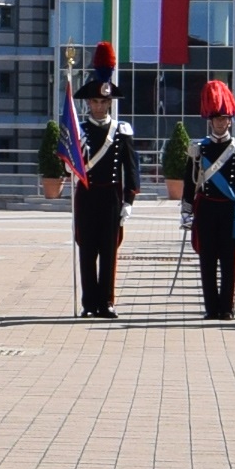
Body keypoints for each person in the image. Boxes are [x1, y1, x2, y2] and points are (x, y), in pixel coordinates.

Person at [67, 63, 140, 319]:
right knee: (87, 251)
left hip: (111, 197)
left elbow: (131, 169)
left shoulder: (121, 131)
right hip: (86, 196)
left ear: (110, 103)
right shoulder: (78, 131)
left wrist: (129, 200)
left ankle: (107, 301)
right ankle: (89, 303)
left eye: (103, 101)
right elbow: (66, 167)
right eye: (95, 101)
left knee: (109, 251)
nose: (99, 106)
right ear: (88, 103)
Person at [186, 81, 235, 319]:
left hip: (230, 212)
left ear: (230, 120)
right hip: (206, 209)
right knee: (208, 260)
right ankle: (211, 308)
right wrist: (186, 210)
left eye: (224, 119)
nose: (221, 123)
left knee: (229, 262)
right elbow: (190, 182)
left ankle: (227, 307)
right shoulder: (199, 149)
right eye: (217, 119)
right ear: (210, 121)